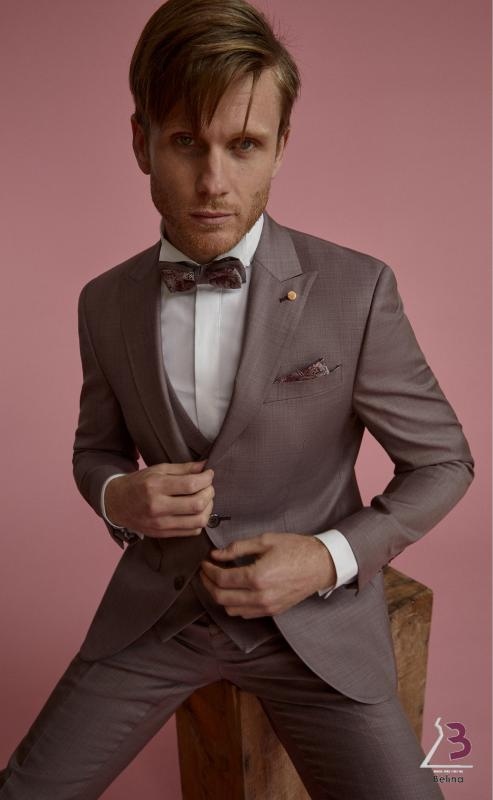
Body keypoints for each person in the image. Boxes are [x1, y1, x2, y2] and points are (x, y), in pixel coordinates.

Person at [0, 0, 474, 798]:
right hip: (159, 618)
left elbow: (443, 463)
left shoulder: (356, 290)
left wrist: (326, 557)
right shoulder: (103, 302)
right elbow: (97, 451)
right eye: (185, 142)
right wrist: (119, 497)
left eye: (244, 145)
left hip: (312, 628)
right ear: (141, 141)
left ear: (280, 146)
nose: (213, 183)